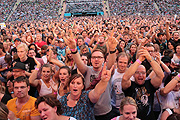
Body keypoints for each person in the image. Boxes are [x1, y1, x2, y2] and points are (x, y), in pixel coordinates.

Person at [64, 30, 118, 119]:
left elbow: (112, 64)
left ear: (104, 60)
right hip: (89, 111)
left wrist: (112, 50)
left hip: (106, 112)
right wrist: (73, 49)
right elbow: (78, 62)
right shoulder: (87, 70)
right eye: (94, 57)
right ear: (90, 60)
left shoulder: (107, 71)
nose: (96, 59)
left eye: (99, 57)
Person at [122, 47, 164, 120]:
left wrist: (149, 58)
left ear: (146, 74)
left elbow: (160, 75)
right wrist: (139, 60)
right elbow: (125, 78)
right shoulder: (130, 85)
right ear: (133, 74)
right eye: (137, 73)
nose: (140, 75)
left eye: (143, 73)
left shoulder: (150, 84)